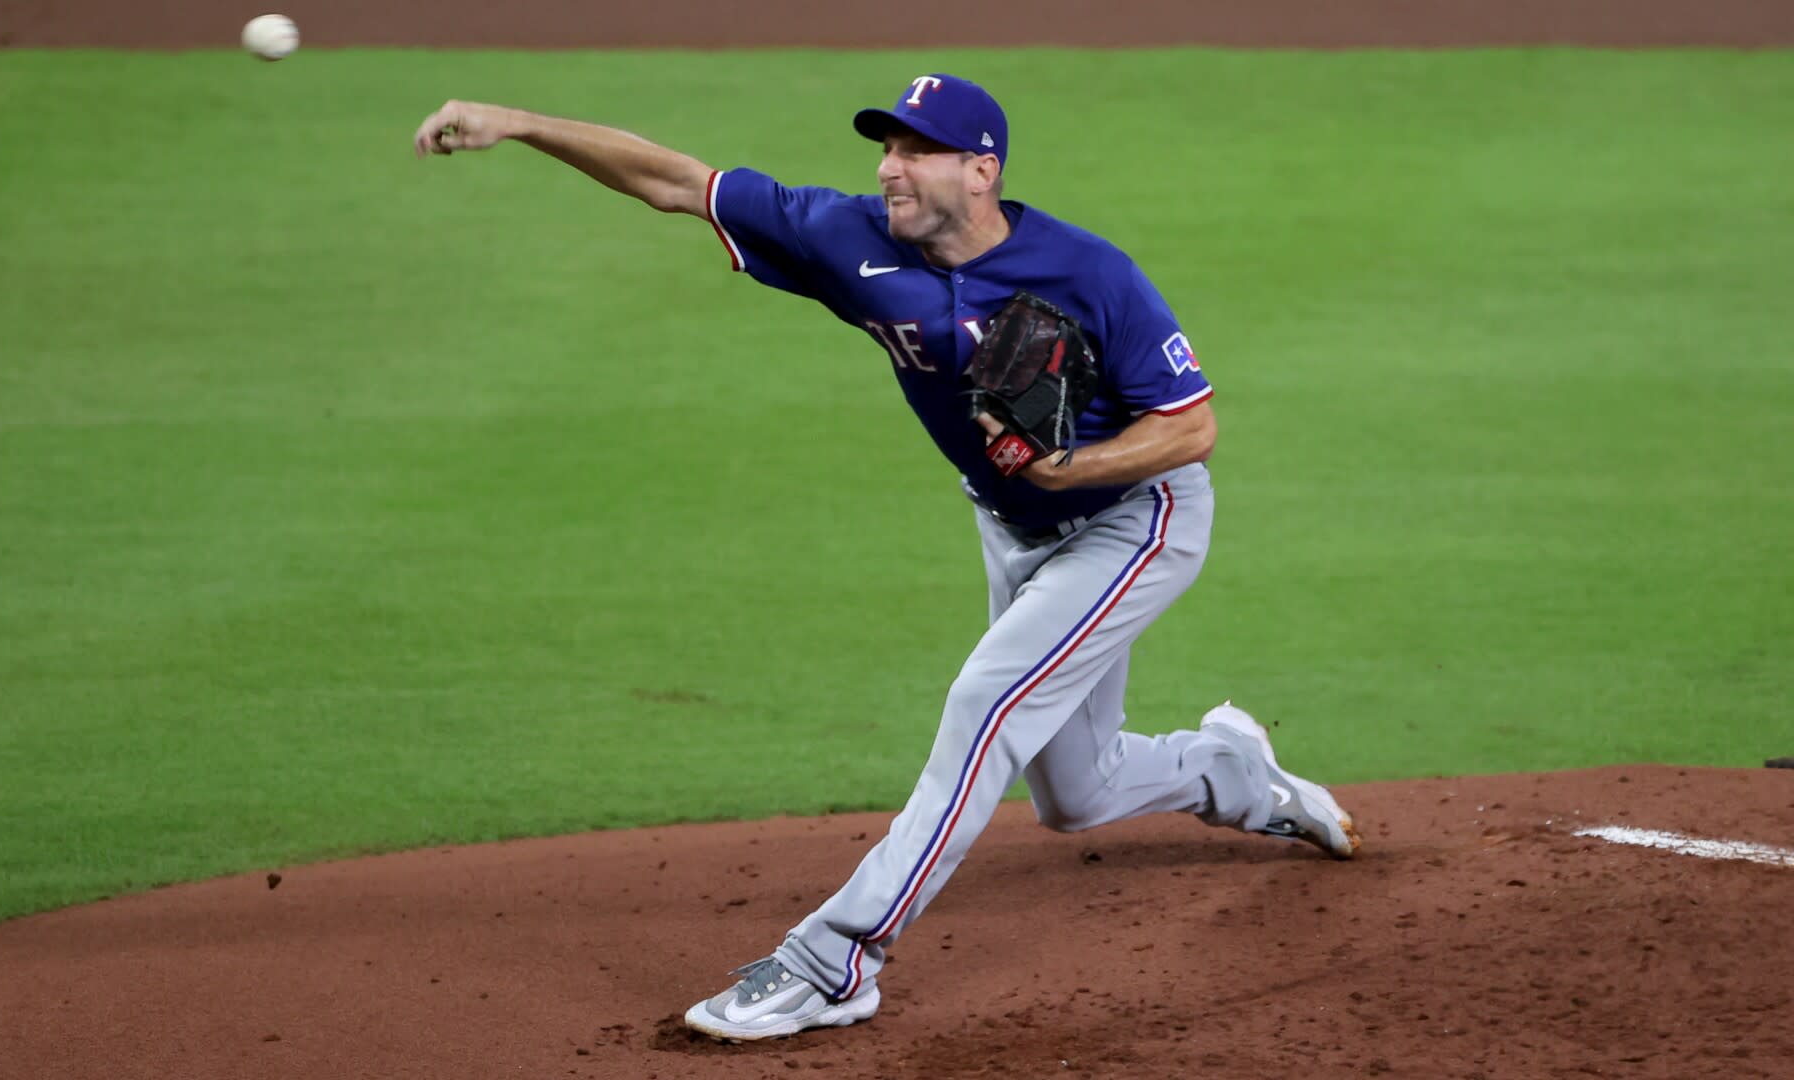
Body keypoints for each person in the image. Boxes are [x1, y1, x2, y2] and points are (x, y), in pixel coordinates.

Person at [413, 73, 1360, 1043]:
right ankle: (1231, 773)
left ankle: (835, 962)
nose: (889, 169)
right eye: (887, 148)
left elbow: (1190, 428)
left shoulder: (1088, 271)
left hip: (1134, 522)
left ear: (980, 170)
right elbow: (676, 182)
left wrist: (1073, 465)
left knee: (987, 703)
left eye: (915, 152)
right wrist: (519, 124)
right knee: (1077, 795)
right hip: (1012, 529)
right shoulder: (846, 236)